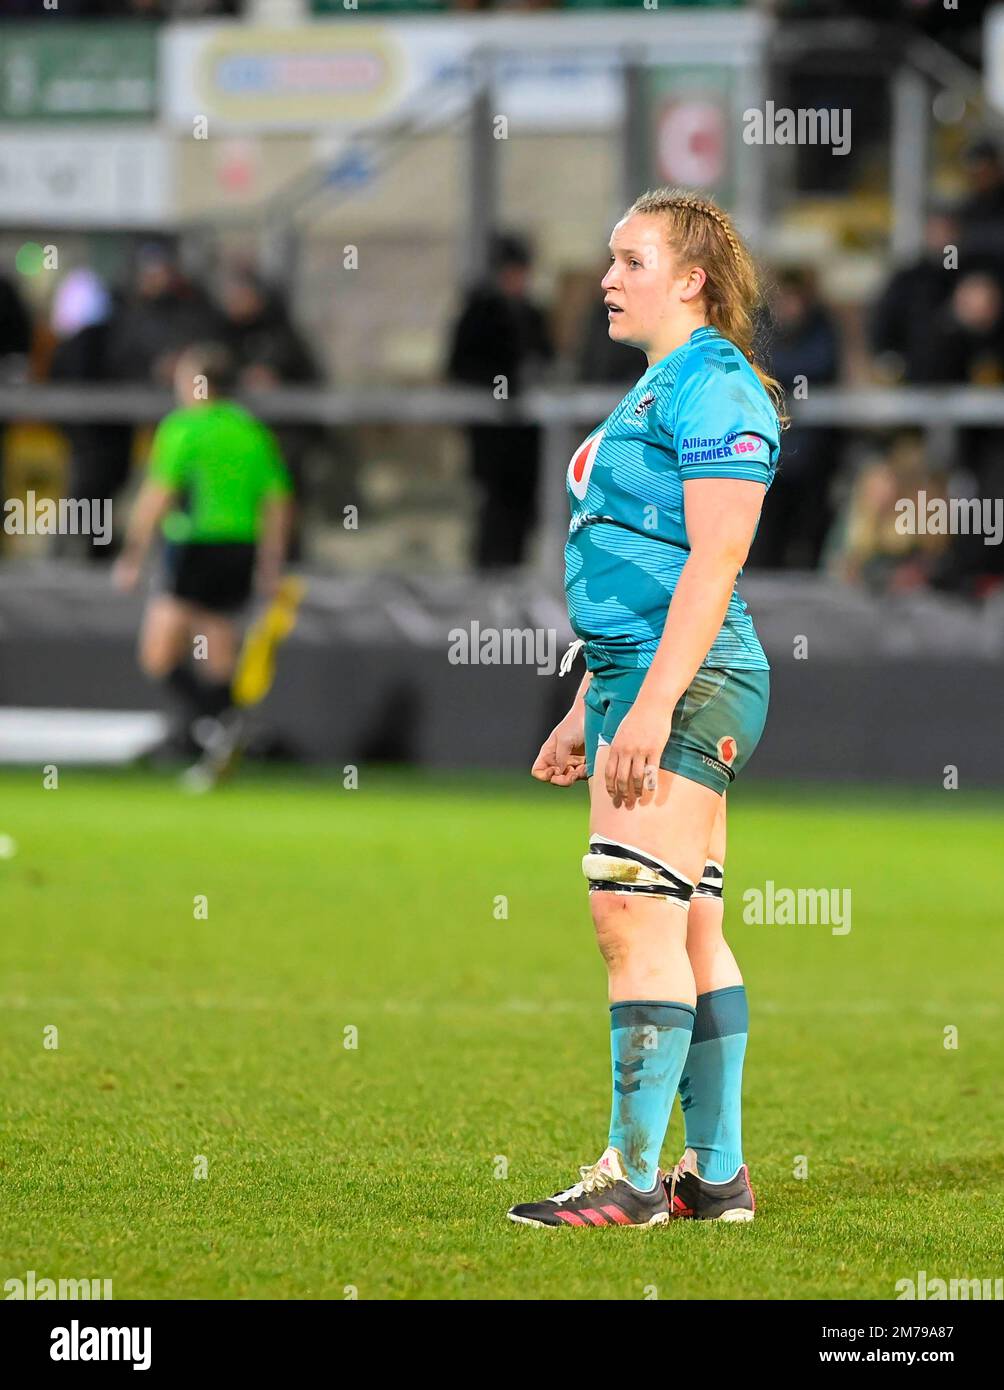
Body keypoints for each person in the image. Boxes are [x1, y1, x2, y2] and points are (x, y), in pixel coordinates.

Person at [508, 188, 783, 1229]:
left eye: (629, 261)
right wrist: (593, 703)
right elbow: (650, 564)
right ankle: (713, 1178)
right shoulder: (665, 385)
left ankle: (629, 1174)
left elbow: (716, 554)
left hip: (693, 676)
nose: (608, 279)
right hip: (650, 674)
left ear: (689, 279)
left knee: (627, 909)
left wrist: (651, 702)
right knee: (687, 924)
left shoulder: (713, 385)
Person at [113, 343, 293, 782]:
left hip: (193, 544)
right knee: (216, 644)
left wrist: (133, 555)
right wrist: (271, 564)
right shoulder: (250, 430)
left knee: (158, 653)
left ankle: (214, 727)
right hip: (239, 547)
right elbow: (278, 501)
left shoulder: (184, 428)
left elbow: (158, 495)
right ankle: (222, 735)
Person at [446, 232, 553, 568]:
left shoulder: (531, 313)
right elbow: (460, 368)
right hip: (493, 441)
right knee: (494, 517)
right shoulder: (480, 314)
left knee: (522, 519)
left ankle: (514, 587)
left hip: (527, 441)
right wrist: (505, 386)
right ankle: (490, 590)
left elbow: (546, 357)